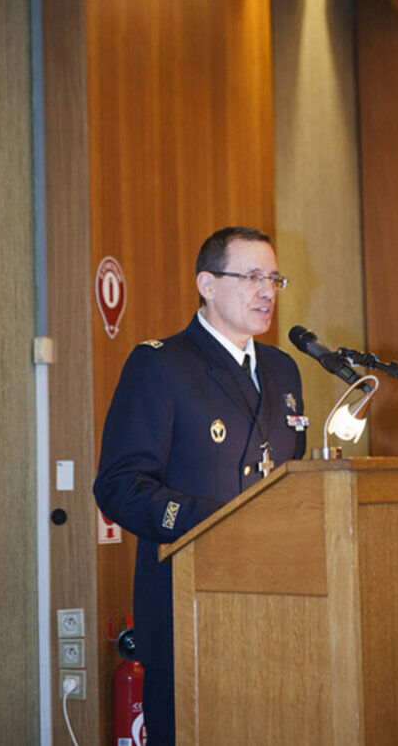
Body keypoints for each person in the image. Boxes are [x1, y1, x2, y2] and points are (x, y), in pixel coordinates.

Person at [94, 226, 307, 743]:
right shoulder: (162, 364)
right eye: (252, 276)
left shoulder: (284, 370)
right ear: (207, 285)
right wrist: (206, 520)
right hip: (188, 601)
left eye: (274, 278)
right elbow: (120, 484)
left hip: (277, 598)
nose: (266, 291)